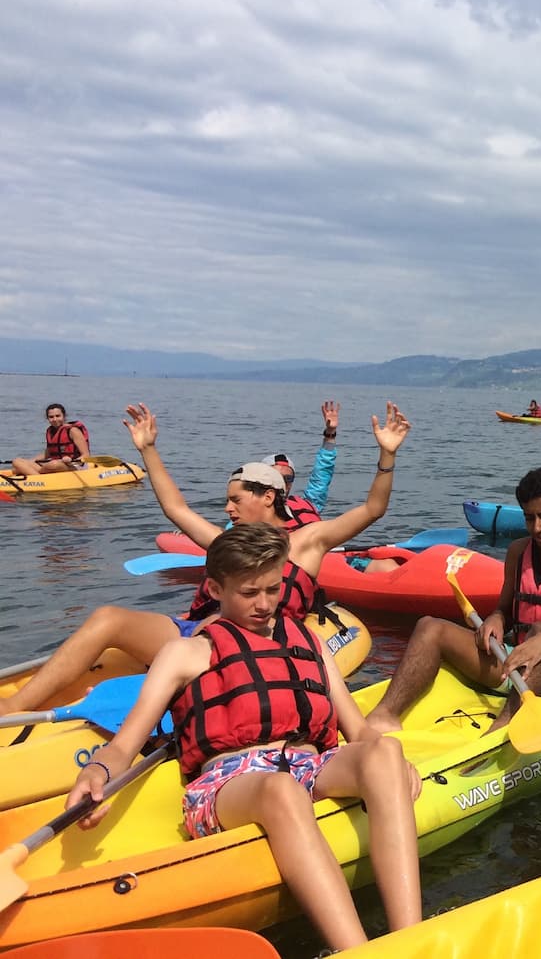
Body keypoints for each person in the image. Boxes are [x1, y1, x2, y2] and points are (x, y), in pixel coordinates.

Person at [64, 524, 422, 952]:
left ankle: (410, 941)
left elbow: (357, 730)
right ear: (216, 589)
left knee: (384, 749)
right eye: (250, 593)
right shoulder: (186, 653)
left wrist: (392, 764)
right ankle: (357, 951)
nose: (265, 604)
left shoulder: (307, 640)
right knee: (280, 789)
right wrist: (97, 771)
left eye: (273, 589)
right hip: (228, 785)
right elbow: (124, 744)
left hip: (308, 766)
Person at [0, 402, 410, 718]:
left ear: (268, 497)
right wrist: (148, 450)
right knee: (108, 617)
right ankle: (14, 708)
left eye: (236, 500)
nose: (228, 509)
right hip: (197, 632)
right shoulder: (227, 543)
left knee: (203, 641)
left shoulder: (308, 541)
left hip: (249, 645)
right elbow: (176, 509)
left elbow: (373, 509)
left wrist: (387, 456)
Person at [364, 466, 541, 735]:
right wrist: (496, 619)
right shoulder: (518, 551)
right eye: (529, 518)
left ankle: (502, 729)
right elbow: (505, 610)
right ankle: (384, 716)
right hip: (518, 661)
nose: (537, 527)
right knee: (429, 627)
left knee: (540, 631)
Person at [258, 400, 342, 527]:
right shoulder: (245, 517)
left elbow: (322, 474)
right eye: (276, 477)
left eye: (288, 478)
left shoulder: (309, 505)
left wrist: (330, 434)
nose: (282, 483)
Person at [10, 403, 91, 476]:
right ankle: (39, 477)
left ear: (64, 416)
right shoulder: (51, 431)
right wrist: (31, 461)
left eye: (58, 416)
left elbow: (86, 455)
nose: (55, 419)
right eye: (51, 417)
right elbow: (48, 454)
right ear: (47, 418)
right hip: (55, 465)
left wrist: (71, 460)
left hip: (74, 465)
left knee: (53, 464)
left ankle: (35, 475)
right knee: (17, 461)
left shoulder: (73, 430)